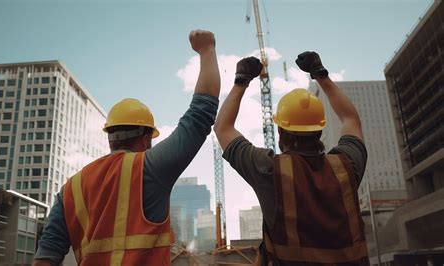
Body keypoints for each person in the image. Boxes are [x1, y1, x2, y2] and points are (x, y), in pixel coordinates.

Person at [32, 29, 220, 266]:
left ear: (110, 138)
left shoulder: (71, 189)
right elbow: (200, 115)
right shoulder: (150, 168)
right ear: (145, 138)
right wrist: (207, 50)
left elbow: (45, 258)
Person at [214, 52, 369, 265]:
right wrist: (321, 76)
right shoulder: (346, 166)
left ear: (281, 131)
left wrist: (241, 81)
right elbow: (350, 119)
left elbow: (222, 128)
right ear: (319, 129)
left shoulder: (269, 169)